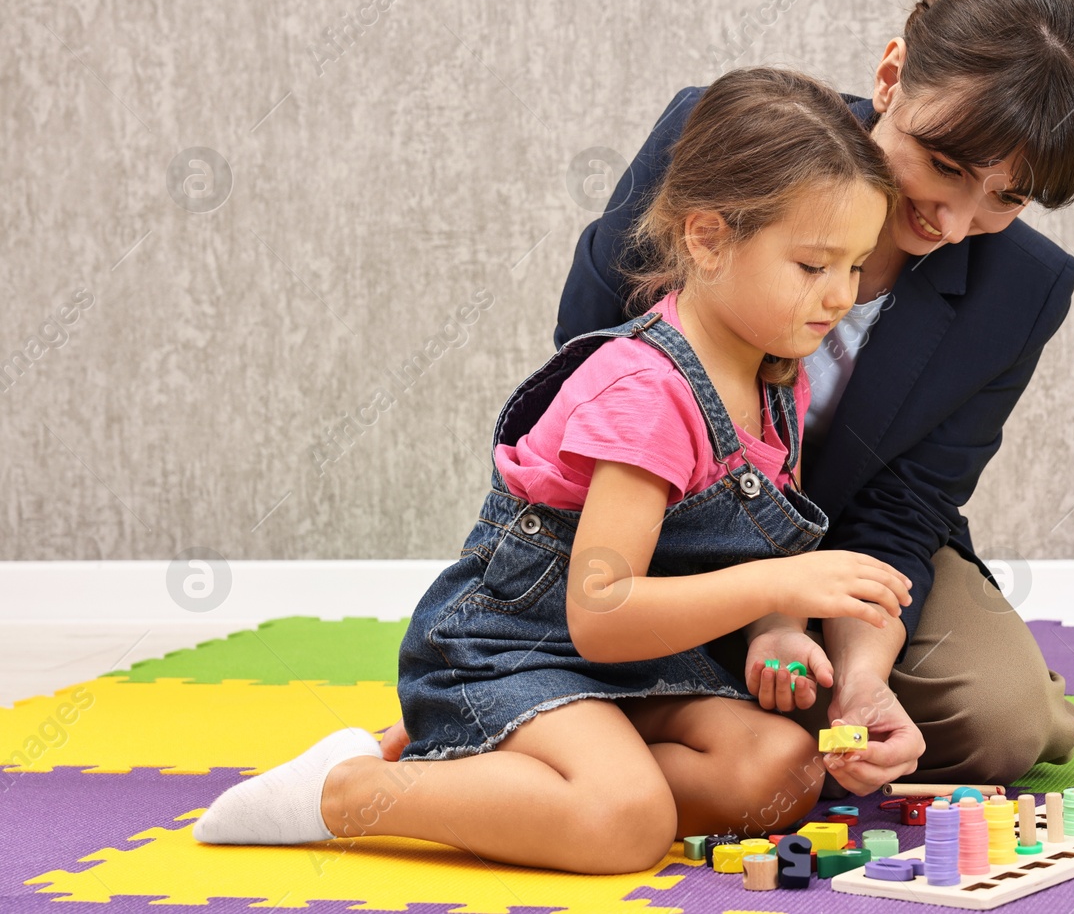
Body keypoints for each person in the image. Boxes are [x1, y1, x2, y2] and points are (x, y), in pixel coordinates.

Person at [380, 0, 1074, 792]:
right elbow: (586, 367)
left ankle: (586, 718)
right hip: (651, 515)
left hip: (826, 550)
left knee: (1001, 721)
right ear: (891, 75)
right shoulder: (727, 141)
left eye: (1005, 200)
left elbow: (906, 512)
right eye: (942, 164)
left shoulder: (1024, 287)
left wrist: (858, 670)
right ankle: (536, 713)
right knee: (640, 645)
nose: (953, 221)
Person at [189, 66, 913, 872]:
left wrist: (774, 634)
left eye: (855, 266)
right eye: (813, 266)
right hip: (519, 650)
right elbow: (599, 611)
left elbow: (746, 564)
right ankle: (350, 789)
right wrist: (782, 590)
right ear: (708, 238)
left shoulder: (777, 372)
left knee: (781, 771)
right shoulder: (649, 394)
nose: (839, 295)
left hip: (642, 663)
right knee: (627, 826)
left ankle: (531, 776)